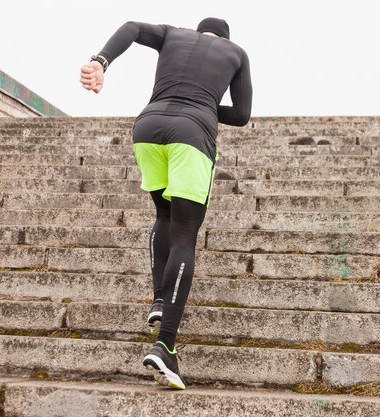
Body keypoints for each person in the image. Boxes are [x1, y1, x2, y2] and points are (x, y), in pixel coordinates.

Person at [79, 17, 252, 390]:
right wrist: (203, 103)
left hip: (148, 125)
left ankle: (159, 298)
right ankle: (165, 346)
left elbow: (132, 27)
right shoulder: (235, 53)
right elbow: (241, 115)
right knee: (185, 234)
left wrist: (100, 61)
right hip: (192, 133)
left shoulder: (173, 34)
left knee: (164, 213)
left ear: (198, 31)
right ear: (223, 37)